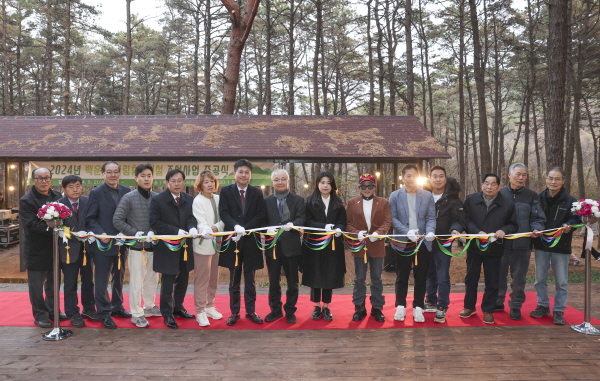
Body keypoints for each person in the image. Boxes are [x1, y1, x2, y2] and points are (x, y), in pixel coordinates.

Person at [461, 174, 518, 324]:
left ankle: (488, 310)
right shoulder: (471, 199)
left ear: (499, 187)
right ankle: (469, 306)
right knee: (471, 278)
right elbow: (465, 220)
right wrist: (476, 231)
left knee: (492, 280)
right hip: (474, 246)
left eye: (493, 184)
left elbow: (513, 224)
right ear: (481, 184)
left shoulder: (507, 204)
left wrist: (504, 230)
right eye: (486, 183)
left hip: (495, 248)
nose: (489, 187)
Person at [530, 167, 581, 325]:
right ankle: (543, 305)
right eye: (550, 178)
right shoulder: (537, 198)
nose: (553, 182)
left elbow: (577, 220)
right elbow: (532, 217)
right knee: (540, 279)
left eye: (557, 179)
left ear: (563, 181)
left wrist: (569, 225)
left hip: (561, 245)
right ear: (546, 179)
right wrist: (534, 228)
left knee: (562, 281)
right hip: (541, 245)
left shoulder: (571, 201)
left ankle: (559, 309)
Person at [219, 159, 266, 326]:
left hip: (251, 240)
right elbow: (224, 213)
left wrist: (246, 228)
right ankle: (234, 312)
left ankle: (251, 311)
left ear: (250, 175)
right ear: (235, 174)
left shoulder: (257, 193)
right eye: (241, 172)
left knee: (251, 278)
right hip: (234, 241)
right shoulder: (225, 192)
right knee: (234, 279)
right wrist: (236, 226)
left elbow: (260, 215)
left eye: (247, 172)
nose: (244, 175)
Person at [496, 163, 546, 320]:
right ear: (509, 175)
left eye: (524, 175)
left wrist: (536, 228)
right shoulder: (499, 193)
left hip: (522, 245)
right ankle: (498, 301)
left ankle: (516, 305)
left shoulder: (532, 196)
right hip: (500, 244)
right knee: (498, 275)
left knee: (519, 278)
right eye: (518, 174)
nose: (521, 177)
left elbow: (537, 218)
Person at [150, 169, 198, 329]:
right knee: (168, 281)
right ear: (167, 183)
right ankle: (167, 313)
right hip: (167, 247)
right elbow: (155, 222)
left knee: (183, 279)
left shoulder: (189, 198)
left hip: (185, 247)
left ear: (184, 182)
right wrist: (176, 231)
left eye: (179, 180)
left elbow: (192, 217)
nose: (177, 184)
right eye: (173, 181)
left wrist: (192, 228)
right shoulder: (158, 200)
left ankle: (178, 307)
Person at [86, 161, 132, 329]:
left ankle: (117, 306)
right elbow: (90, 218)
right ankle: (104, 312)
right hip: (102, 244)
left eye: (115, 171)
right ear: (102, 174)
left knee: (119, 276)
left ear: (119, 173)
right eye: (109, 172)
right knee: (102, 279)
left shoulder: (127, 191)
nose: (113, 175)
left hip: (122, 242)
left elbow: (129, 216)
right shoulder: (96, 193)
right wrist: (101, 234)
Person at [113, 164, 160, 328]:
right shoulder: (128, 197)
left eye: (149, 175)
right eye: (143, 176)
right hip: (135, 247)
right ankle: (136, 313)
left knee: (152, 279)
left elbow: (160, 220)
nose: (146, 179)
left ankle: (149, 306)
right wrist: (133, 233)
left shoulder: (157, 197)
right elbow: (117, 220)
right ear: (136, 178)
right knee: (136, 281)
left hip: (154, 246)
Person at [389, 164, 436, 323]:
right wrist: (406, 231)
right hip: (403, 240)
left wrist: (430, 231)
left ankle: (418, 308)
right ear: (402, 177)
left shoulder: (427, 195)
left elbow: (430, 217)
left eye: (413, 175)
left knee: (421, 275)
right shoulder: (395, 196)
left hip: (422, 241)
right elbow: (393, 218)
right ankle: (400, 306)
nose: (410, 178)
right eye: (407, 175)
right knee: (401, 275)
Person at [19, 167, 65, 328]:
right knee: (36, 285)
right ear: (33, 180)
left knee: (54, 282)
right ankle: (40, 314)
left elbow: (64, 217)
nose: (44, 181)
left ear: (51, 179)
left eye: (47, 178)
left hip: (54, 248)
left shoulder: (57, 196)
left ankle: (53, 310)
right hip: (36, 249)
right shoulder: (27, 200)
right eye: (40, 178)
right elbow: (31, 224)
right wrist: (54, 229)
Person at [346, 173, 391, 322]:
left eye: (370, 186)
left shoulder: (383, 202)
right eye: (364, 186)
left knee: (376, 278)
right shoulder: (352, 203)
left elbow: (387, 221)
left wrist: (379, 233)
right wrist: (356, 233)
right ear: (359, 187)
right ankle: (359, 307)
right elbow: (348, 224)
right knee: (359, 278)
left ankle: (377, 308)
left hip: (377, 245)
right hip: (359, 246)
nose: (367, 189)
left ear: (374, 187)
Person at [423, 166, 465, 324]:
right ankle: (431, 300)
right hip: (426, 242)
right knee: (429, 273)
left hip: (444, 242)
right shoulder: (424, 196)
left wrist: (455, 229)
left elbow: (459, 218)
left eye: (441, 176)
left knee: (442, 275)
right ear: (430, 179)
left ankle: (442, 305)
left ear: (445, 178)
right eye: (435, 176)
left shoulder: (453, 198)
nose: (438, 179)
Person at [302, 171, 347, 321]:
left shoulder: (339, 203)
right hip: (314, 245)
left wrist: (339, 228)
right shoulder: (309, 202)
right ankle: (316, 305)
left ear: (332, 185)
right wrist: (323, 226)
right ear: (317, 184)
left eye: (328, 183)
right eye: (322, 182)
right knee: (316, 274)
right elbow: (307, 222)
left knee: (329, 275)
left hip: (333, 246)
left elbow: (342, 221)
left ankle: (326, 306)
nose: (325, 185)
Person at [263, 169, 305, 324]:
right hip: (272, 247)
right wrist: (266, 228)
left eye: (283, 179)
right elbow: (261, 220)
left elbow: (302, 218)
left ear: (288, 181)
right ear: (272, 182)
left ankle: (290, 311)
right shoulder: (266, 201)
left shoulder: (298, 200)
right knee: (273, 281)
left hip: (292, 247)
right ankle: (275, 310)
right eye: (276, 179)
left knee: (292, 281)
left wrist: (293, 224)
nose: (280, 182)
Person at [58, 175, 96, 327]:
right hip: (68, 250)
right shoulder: (58, 205)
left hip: (87, 249)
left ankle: (89, 309)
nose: (75, 189)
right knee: (70, 283)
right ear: (64, 189)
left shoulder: (89, 201)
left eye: (78, 186)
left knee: (88, 281)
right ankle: (72, 312)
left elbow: (94, 220)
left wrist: (92, 233)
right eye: (71, 187)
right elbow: (56, 226)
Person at [192, 170, 225, 327]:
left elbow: (224, 218)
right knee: (202, 279)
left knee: (213, 278)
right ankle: (200, 311)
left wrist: (216, 227)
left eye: (212, 181)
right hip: (203, 245)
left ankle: (210, 306)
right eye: (206, 182)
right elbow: (200, 222)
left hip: (217, 243)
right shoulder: (197, 201)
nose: (210, 184)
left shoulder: (219, 199)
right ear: (200, 184)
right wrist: (207, 229)